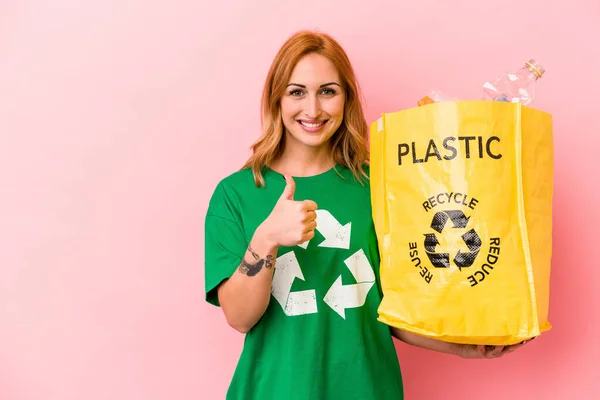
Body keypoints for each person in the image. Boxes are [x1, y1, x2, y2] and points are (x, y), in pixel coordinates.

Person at [204, 30, 529, 400]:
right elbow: (240, 317)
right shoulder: (235, 194)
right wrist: (266, 239)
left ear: (346, 98)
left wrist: (458, 346)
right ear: (277, 99)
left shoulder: (383, 184)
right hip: (271, 390)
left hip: (367, 389)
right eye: (297, 92)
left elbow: (385, 307)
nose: (312, 110)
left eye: (328, 91)